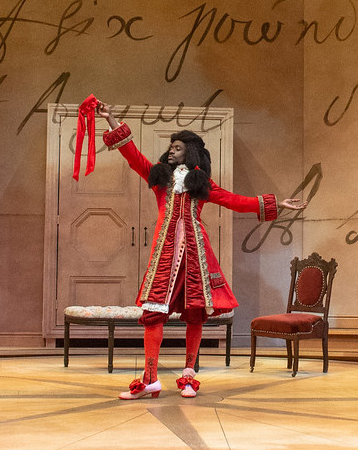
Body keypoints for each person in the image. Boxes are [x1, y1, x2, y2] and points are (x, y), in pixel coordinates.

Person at [94, 102, 306, 400]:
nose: (171, 151)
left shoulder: (201, 185)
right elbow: (132, 155)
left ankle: (189, 376)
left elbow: (234, 200)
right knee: (153, 314)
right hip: (164, 259)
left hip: (195, 257)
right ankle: (151, 379)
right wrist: (111, 119)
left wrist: (275, 205)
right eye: (171, 147)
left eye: (177, 147)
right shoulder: (159, 179)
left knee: (195, 315)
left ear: (189, 152)